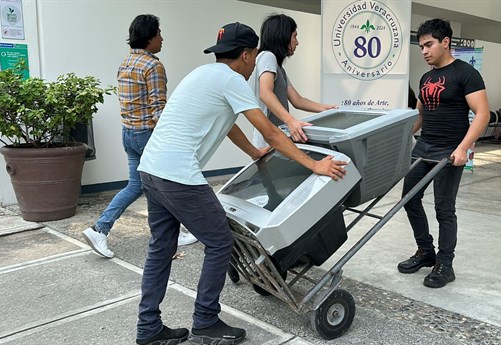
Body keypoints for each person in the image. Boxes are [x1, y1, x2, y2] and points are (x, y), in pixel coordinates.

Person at [134, 22, 347, 345]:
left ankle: (148, 328)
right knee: (220, 241)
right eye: (254, 58)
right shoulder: (232, 80)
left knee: (161, 249)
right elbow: (273, 132)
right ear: (247, 56)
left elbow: (229, 123)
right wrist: (314, 165)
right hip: (178, 175)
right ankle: (205, 320)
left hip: (151, 169)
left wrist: (254, 152)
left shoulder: (202, 75)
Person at [82, 14, 197, 259]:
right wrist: (173, 138)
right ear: (150, 37)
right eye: (159, 34)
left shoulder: (125, 63)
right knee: (169, 183)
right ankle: (172, 235)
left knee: (137, 185)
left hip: (129, 134)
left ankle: (99, 229)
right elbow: (159, 110)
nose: (162, 39)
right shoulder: (153, 65)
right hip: (148, 135)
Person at [396, 19, 490, 288]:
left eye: (429, 45)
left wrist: (463, 148)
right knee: (409, 199)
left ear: (445, 42)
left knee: (444, 209)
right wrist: (402, 137)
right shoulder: (426, 77)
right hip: (424, 146)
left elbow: (482, 114)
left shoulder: (466, 74)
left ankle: (445, 265)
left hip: (450, 149)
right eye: (421, 46)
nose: (424, 51)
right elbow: (420, 115)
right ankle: (426, 252)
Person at [250, 13, 336, 148]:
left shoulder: (278, 68)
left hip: (277, 139)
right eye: (294, 36)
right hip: (268, 141)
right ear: (282, 36)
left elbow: (297, 100)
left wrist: (328, 109)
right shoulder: (267, 57)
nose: (297, 42)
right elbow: (265, 93)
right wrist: (290, 121)